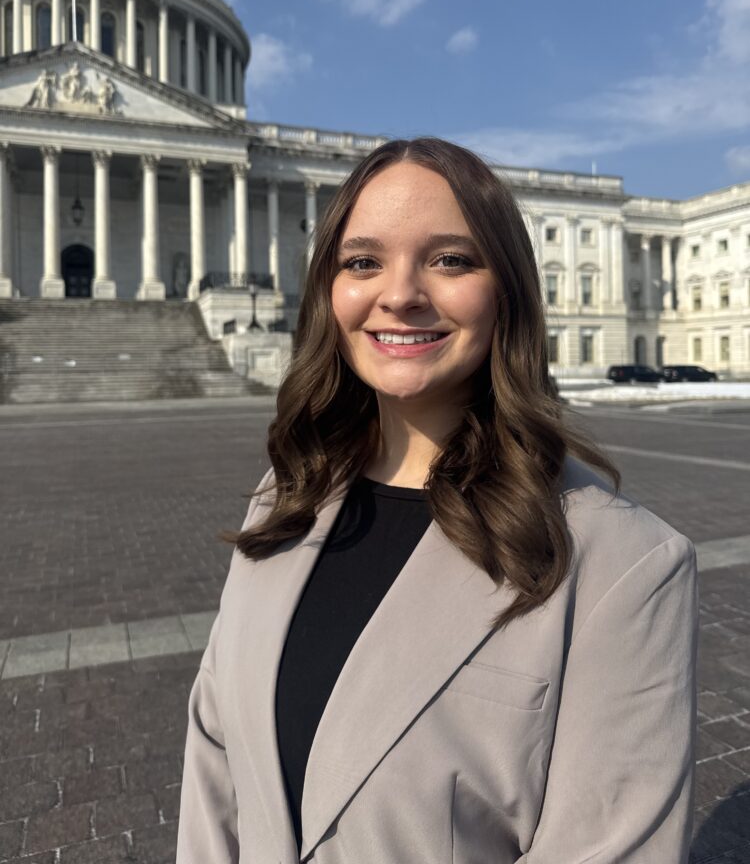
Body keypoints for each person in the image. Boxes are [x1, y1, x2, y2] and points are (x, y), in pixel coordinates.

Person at [177, 137, 698, 864]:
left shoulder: (627, 564)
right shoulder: (282, 500)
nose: (399, 294)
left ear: (506, 289)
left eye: (450, 260)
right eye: (363, 261)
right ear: (329, 289)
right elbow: (215, 760)